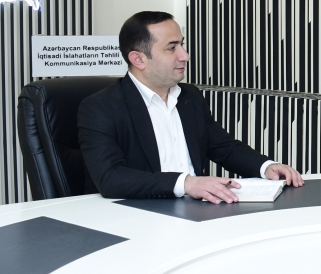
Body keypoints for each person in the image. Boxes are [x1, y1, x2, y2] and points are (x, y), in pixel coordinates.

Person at [79, 11, 304, 202]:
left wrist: (265, 167)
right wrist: (186, 183)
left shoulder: (190, 96)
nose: (185, 56)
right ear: (138, 59)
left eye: (182, 44)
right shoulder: (101, 107)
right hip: (140, 217)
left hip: (198, 214)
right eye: (171, 48)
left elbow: (224, 147)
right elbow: (110, 178)